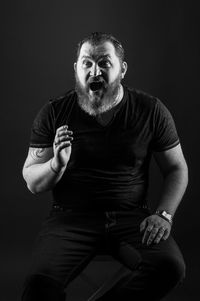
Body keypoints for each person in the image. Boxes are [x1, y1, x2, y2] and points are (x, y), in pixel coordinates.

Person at [21, 32, 188, 301]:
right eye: (86, 63)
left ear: (122, 69)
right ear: (76, 69)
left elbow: (177, 168)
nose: (94, 71)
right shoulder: (54, 112)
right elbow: (32, 181)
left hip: (131, 218)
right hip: (70, 220)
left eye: (104, 63)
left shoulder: (152, 110)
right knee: (38, 287)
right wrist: (56, 165)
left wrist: (164, 214)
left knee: (170, 268)